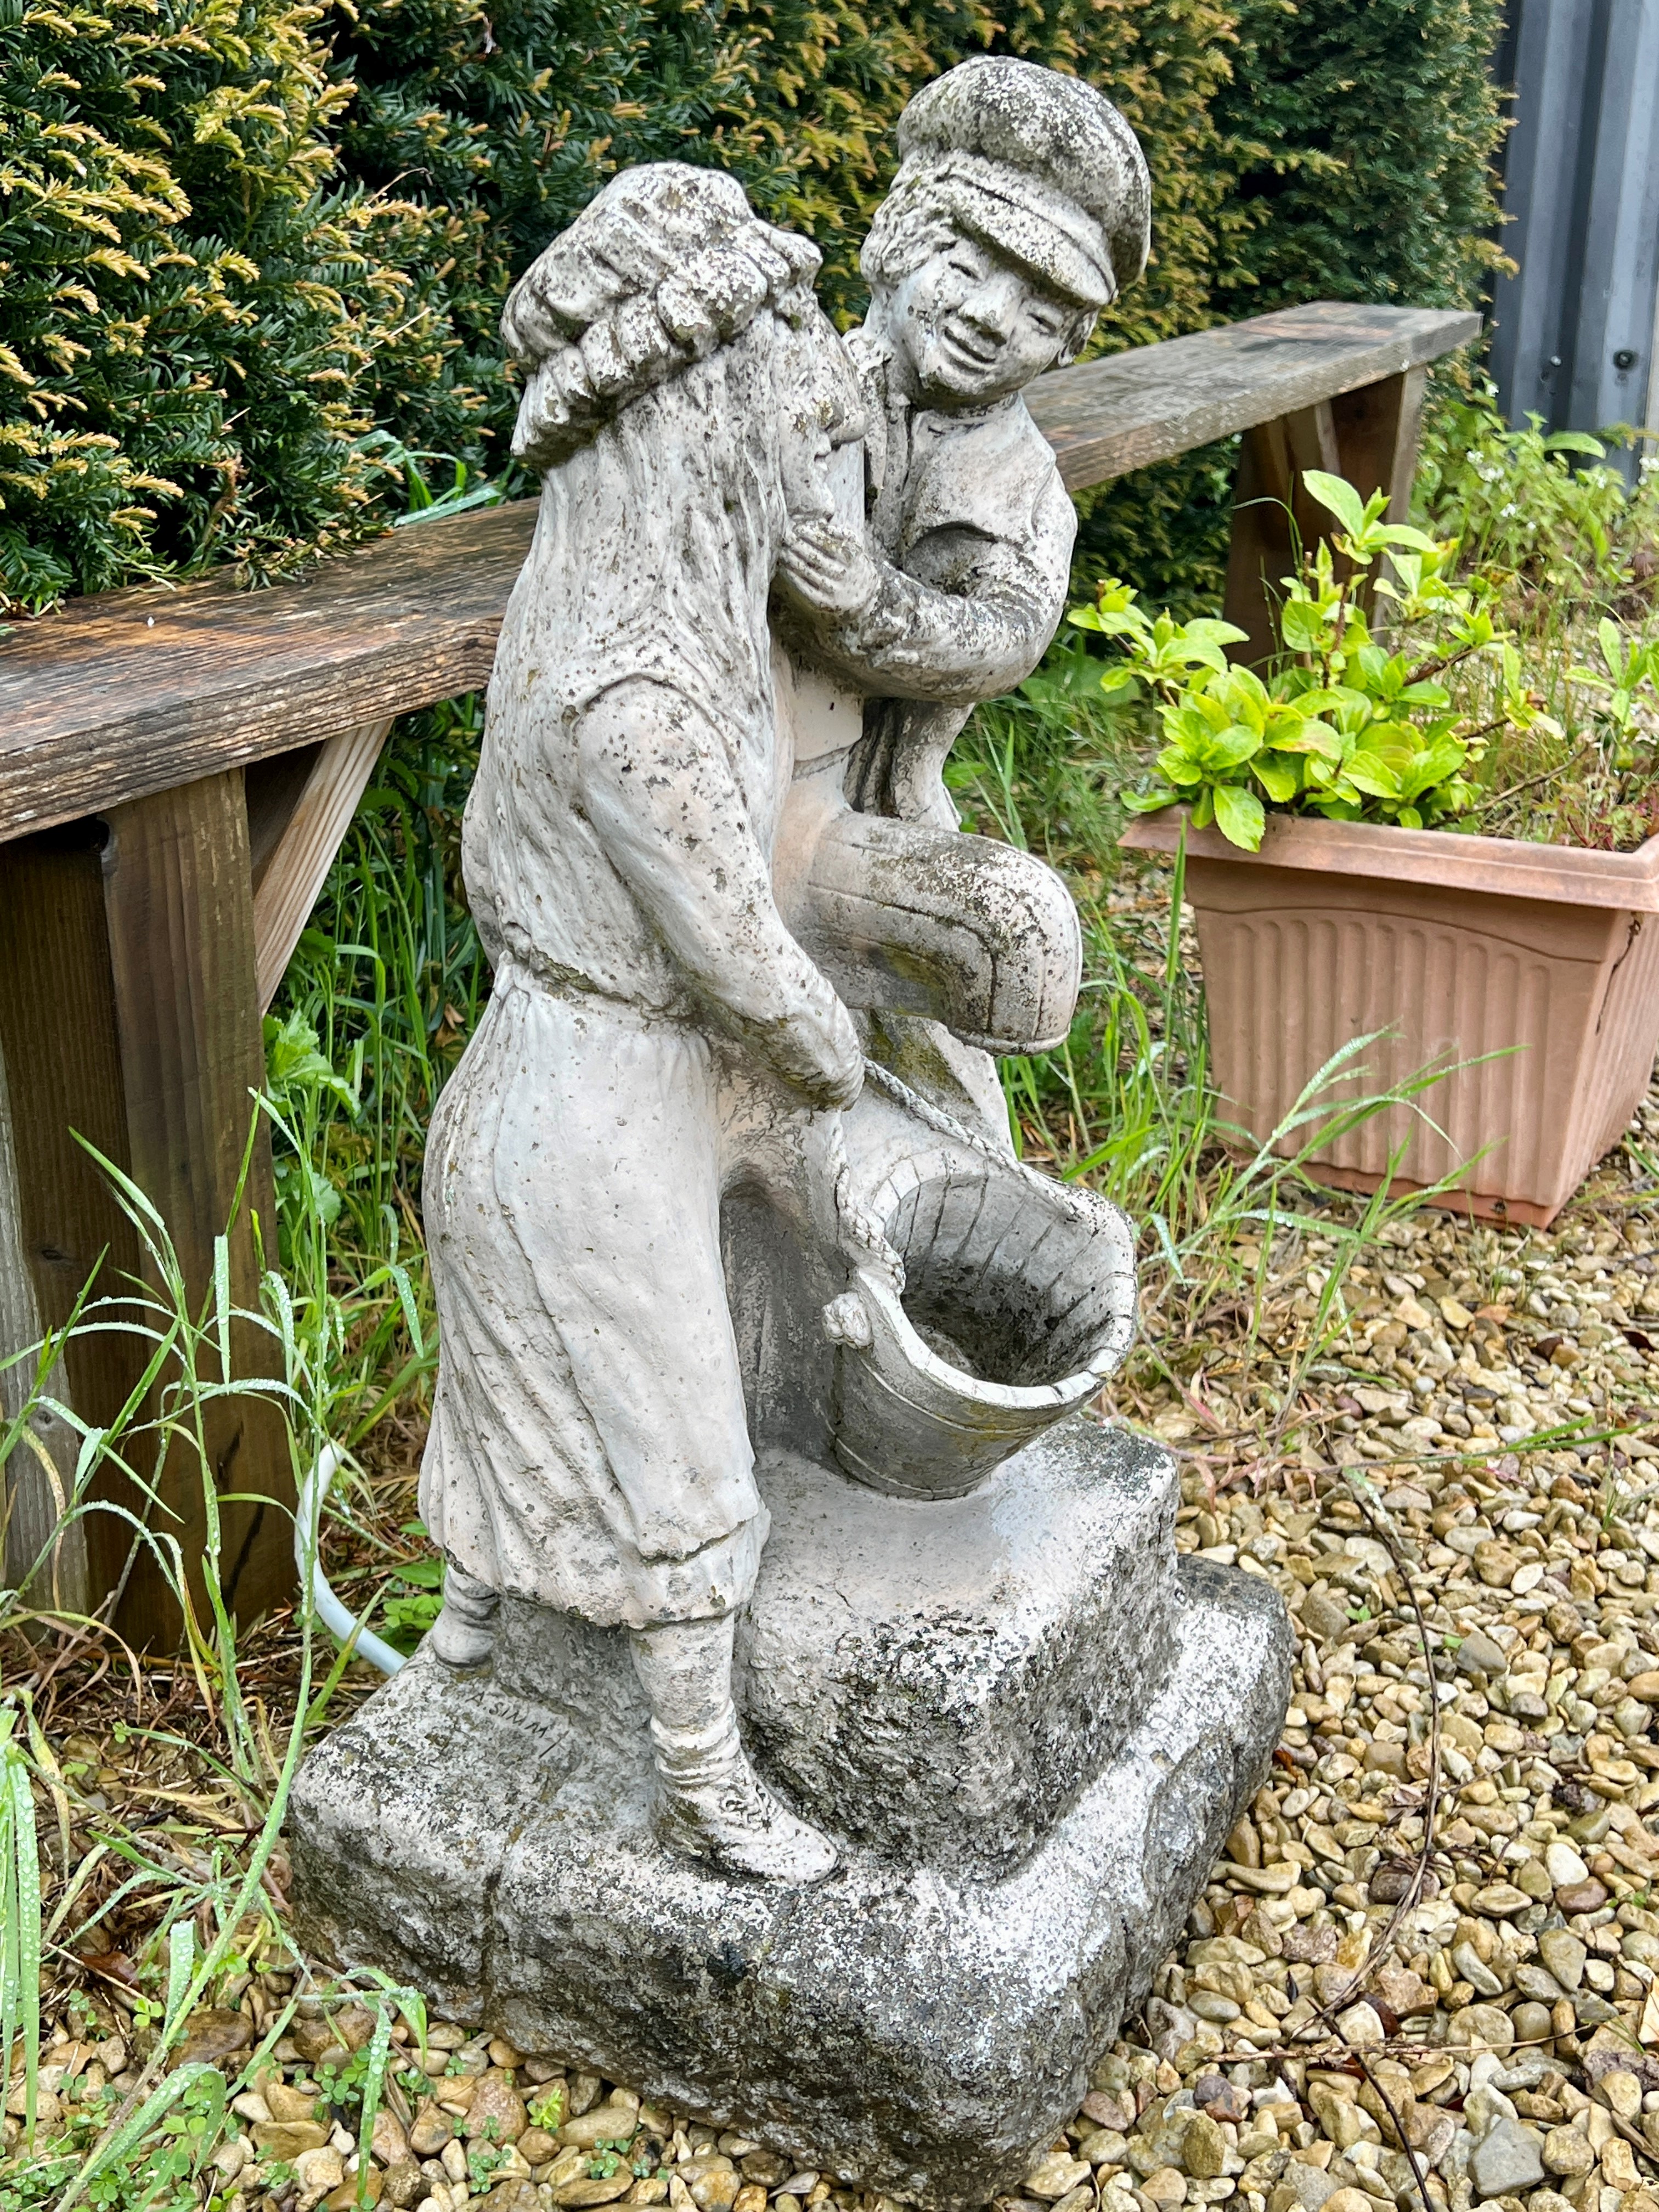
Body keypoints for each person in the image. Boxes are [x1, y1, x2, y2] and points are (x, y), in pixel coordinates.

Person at [418, 163, 884, 1887]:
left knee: (517, 1390)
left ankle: (467, 1646)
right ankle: (707, 1780)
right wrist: (832, 1055)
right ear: (699, 408)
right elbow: (742, 951)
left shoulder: (587, 608)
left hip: (564, 1085)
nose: (804, 406)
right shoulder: (636, 693)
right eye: (776, 372)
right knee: (673, 1450)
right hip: (591, 1114)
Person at [777, 55, 1152, 832]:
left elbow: (1011, 636)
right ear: (901, 243)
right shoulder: (793, 386)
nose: (990, 318)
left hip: (885, 809)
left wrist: (875, 607)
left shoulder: (1025, 487)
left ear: (1066, 347)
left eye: (1042, 320)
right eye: (965, 265)